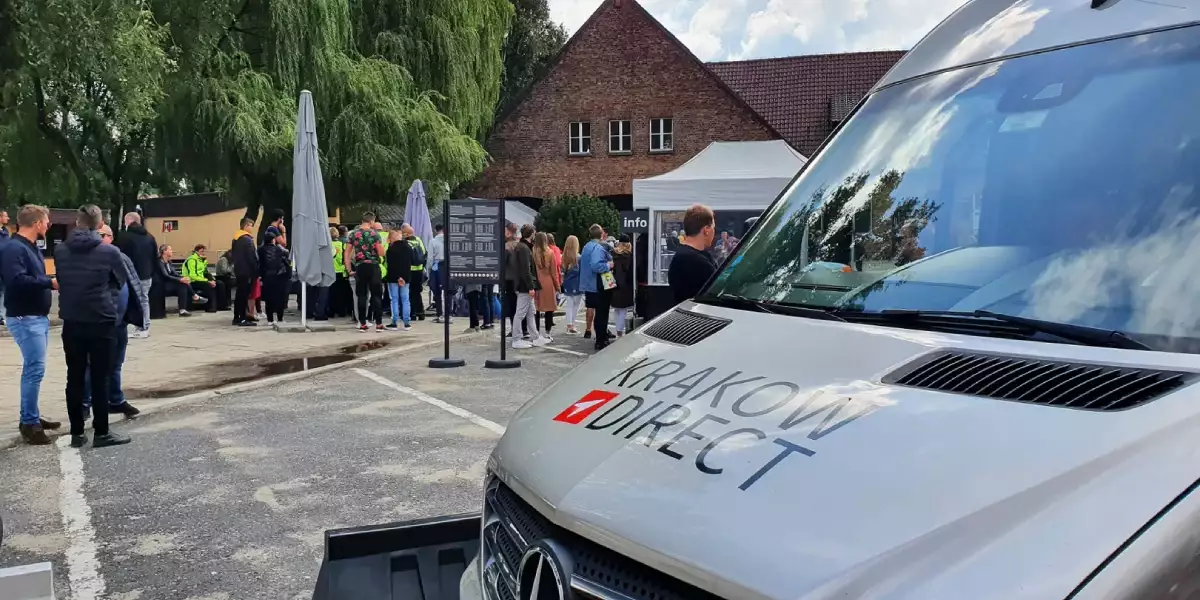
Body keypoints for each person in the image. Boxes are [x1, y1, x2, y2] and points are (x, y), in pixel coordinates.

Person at [54, 204, 131, 448]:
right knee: (101, 377)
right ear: (100, 225)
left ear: (77, 223)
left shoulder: (61, 250)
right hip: (101, 319)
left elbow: (64, 279)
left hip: (73, 319)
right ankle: (102, 432)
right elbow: (120, 280)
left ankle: (77, 432)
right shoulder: (108, 252)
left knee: (74, 376)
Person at [1, 205, 61, 445]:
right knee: (34, 370)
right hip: (25, 317)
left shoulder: (29, 246)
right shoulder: (14, 248)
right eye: (46, 221)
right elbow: (16, 281)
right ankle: (29, 423)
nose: (48, 225)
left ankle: (31, 416)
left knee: (35, 369)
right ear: (37, 223)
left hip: (35, 316)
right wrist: (49, 283)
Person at [82, 224, 144, 421]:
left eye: (103, 235)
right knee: (92, 365)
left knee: (116, 364)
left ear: (111, 237)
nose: (99, 238)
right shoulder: (89, 258)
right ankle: (85, 403)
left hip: (120, 321)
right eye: (97, 234)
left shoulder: (120, 257)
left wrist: (137, 313)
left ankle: (115, 400)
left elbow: (134, 283)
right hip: (100, 321)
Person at [115, 212, 157, 338]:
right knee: (144, 299)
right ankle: (144, 326)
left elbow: (119, 255)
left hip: (131, 274)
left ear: (128, 221)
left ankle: (140, 326)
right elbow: (155, 255)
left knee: (129, 299)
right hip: (147, 273)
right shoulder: (150, 237)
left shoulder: (124, 237)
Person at [667, 204, 718, 304]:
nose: (714, 232)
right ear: (706, 230)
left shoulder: (687, 255)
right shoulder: (693, 260)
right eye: (713, 227)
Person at [345, 212, 386, 332]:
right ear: (372, 222)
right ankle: (378, 323)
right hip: (373, 266)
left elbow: (347, 253)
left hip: (360, 266)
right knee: (377, 295)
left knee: (361, 295)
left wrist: (349, 270)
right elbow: (381, 253)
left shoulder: (353, 234)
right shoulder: (375, 234)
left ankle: (362, 323)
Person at [508, 224, 546, 348]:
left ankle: (535, 336)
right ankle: (516, 339)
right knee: (521, 312)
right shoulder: (524, 248)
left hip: (523, 284)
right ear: (531, 234)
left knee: (530, 312)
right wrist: (530, 286)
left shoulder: (522, 247)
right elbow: (526, 269)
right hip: (524, 286)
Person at [579, 224, 614, 350]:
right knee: (602, 313)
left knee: (598, 312)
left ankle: (600, 337)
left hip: (589, 284)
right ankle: (600, 340)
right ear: (601, 234)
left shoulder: (586, 247)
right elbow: (596, 265)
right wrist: (608, 265)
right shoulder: (597, 248)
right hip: (598, 284)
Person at [156, 245, 204, 316]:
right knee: (182, 283)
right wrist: (180, 280)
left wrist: (183, 278)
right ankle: (194, 296)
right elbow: (165, 275)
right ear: (164, 251)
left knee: (183, 285)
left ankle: (183, 309)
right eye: (170, 249)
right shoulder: (159, 262)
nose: (172, 251)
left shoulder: (169, 262)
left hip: (170, 283)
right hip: (162, 285)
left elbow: (175, 274)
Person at [385, 227, 414, 331]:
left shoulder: (390, 249)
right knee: (405, 299)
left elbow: (391, 265)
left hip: (393, 277)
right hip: (406, 277)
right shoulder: (408, 247)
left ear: (391, 238)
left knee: (394, 299)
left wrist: (398, 277)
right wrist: (403, 277)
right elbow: (412, 261)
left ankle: (394, 322)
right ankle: (407, 322)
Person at [532, 232, 560, 340]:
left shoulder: (533, 252)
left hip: (536, 282)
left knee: (536, 309)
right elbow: (554, 273)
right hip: (548, 282)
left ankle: (536, 332)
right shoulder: (550, 252)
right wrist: (557, 286)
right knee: (549, 309)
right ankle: (548, 333)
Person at [231, 218, 258, 326]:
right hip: (247, 271)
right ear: (246, 226)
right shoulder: (247, 240)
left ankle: (237, 317)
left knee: (239, 295)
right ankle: (243, 318)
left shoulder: (236, 239)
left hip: (239, 270)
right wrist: (256, 271)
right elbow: (252, 258)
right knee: (244, 295)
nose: (252, 228)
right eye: (251, 225)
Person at [258, 232, 290, 324]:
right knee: (280, 298)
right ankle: (280, 319)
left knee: (269, 299)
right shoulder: (278, 249)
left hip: (267, 277)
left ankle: (270, 320)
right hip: (279, 276)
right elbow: (287, 253)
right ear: (273, 240)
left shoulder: (260, 250)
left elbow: (259, 263)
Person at [611, 234, 635, 337]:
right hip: (626, 285)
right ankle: (619, 332)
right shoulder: (629, 256)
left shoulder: (614, 254)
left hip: (614, 284)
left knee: (616, 309)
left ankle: (618, 330)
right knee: (623, 311)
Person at [183, 244, 220, 311]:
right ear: (196, 252)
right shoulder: (192, 260)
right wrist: (207, 281)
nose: (203, 253)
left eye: (204, 251)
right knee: (208, 285)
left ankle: (221, 306)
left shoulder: (203, 260)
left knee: (220, 284)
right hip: (192, 281)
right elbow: (192, 275)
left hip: (200, 280)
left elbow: (205, 272)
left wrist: (212, 280)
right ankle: (211, 307)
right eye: (201, 251)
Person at [560, 235, 583, 335]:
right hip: (577, 284)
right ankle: (572, 325)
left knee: (569, 306)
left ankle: (569, 325)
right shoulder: (579, 258)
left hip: (567, 284)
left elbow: (561, 272)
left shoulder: (563, 257)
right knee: (576, 305)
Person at [329, 226, 351, 319]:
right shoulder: (343, 245)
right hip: (341, 272)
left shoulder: (327, 245)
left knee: (330, 294)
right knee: (341, 294)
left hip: (329, 271)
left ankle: (331, 312)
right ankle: (342, 311)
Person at [502, 222, 519, 336]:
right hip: (519, 279)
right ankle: (522, 328)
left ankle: (514, 328)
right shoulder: (520, 245)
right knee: (520, 305)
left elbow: (502, 263)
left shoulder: (506, 247)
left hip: (509, 279)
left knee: (512, 305)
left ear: (508, 232)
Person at [407, 229, 427, 321]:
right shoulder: (418, 240)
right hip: (419, 270)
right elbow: (423, 252)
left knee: (410, 293)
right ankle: (421, 313)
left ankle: (412, 313)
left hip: (409, 270)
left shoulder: (405, 242)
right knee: (417, 292)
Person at [429, 224, 445, 321]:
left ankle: (439, 314)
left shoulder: (433, 241)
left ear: (435, 230)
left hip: (436, 267)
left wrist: (429, 270)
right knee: (448, 292)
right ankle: (449, 314)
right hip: (447, 267)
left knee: (437, 292)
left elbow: (430, 258)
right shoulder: (449, 241)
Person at [0, 208, 11, 327]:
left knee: (3, 291)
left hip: (3, 266)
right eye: (5, 216)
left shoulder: (5, 231)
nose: (7, 218)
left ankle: (1, 316)